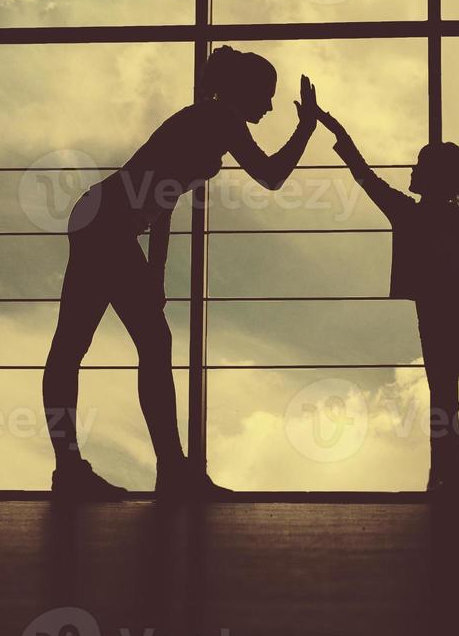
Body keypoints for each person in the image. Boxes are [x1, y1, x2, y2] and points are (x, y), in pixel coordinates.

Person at [43, 45, 319, 499]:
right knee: (133, 344)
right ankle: (168, 470)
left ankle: (76, 468)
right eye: (266, 95)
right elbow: (271, 175)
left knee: (76, 346)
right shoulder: (219, 120)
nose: (271, 105)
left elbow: (162, 200)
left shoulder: (203, 119)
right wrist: (306, 127)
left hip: (101, 218)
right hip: (107, 224)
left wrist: (155, 273)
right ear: (243, 90)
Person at [315, 107, 459, 499]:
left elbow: (363, 175)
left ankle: (452, 475)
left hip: (435, 317)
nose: (411, 171)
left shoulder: (407, 212)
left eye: (417, 166)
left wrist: (333, 128)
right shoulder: (456, 219)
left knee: (445, 398)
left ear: (433, 177)